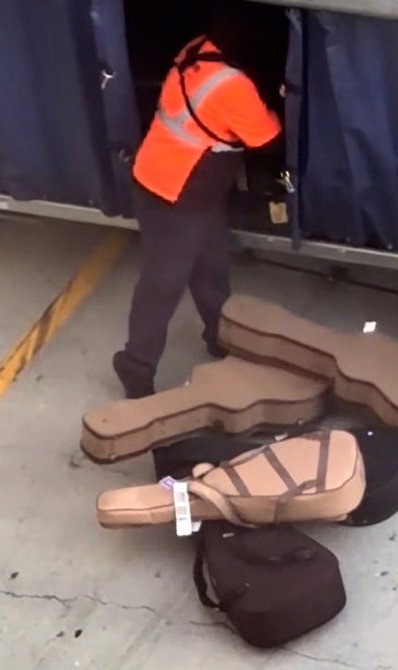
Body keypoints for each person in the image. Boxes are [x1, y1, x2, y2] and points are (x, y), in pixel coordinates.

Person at [114, 1, 284, 399]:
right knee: (164, 281)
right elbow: (269, 139)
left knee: (211, 264)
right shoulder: (233, 87)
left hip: (191, 187)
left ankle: (219, 335)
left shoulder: (198, 48)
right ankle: (135, 365)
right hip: (173, 192)